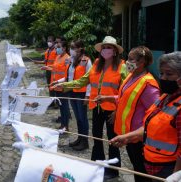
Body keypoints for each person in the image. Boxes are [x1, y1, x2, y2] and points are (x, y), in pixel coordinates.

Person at [53, 36, 128, 179]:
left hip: (112, 109)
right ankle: (97, 163)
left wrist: (118, 110)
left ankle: (113, 170)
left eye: (109, 48)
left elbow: (125, 91)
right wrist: (65, 85)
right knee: (97, 136)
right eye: (104, 48)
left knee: (112, 139)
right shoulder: (97, 64)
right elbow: (83, 81)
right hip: (97, 107)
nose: (106, 50)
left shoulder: (121, 66)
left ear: (115, 51)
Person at [110, 52, 181, 179]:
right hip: (151, 163)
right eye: (162, 73)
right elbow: (150, 125)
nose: (163, 78)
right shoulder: (164, 97)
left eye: (169, 74)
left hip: (168, 169)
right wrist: (128, 137)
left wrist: (176, 177)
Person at [96, 46, 160, 181]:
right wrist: (107, 98)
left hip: (139, 137)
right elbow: (124, 97)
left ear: (141, 61)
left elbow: (156, 115)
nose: (127, 62)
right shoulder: (131, 76)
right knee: (136, 168)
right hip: (130, 135)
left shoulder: (148, 84)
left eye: (131, 59)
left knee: (141, 171)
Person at [51, 40, 92, 151]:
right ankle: (79, 138)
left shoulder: (87, 61)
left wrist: (88, 96)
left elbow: (90, 80)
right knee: (78, 118)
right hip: (72, 92)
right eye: (71, 47)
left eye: (73, 47)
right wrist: (58, 82)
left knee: (83, 118)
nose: (71, 50)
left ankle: (84, 142)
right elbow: (69, 78)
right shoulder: (72, 61)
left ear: (80, 48)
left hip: (81, 94)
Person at [42, 41, 71, 131]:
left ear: (64, 48)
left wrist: (59, 82)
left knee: (64, 107)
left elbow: (67, 74)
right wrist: (48, 68)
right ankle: (63, 125)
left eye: (58, 47)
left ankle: (65, 126)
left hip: (62, 86)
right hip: (56, 86)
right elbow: (55, 68)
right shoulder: (58, 57)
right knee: (61, 107)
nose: (56, 49)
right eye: (56, 47)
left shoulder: (67, 58)